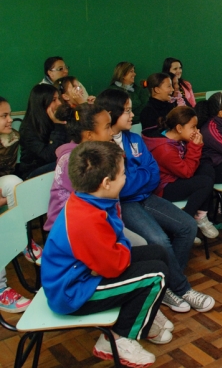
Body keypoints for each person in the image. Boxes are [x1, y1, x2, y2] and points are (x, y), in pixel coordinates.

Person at [41, 141, 171, 367]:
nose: (126, 178)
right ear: (106, 183)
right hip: (72, 293)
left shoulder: (92, 199)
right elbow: (115, 264)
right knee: (156, 275)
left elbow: (115, 245)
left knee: (157, 252)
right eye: (123, 174)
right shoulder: (87, 219)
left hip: (86, 274)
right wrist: (117, 243)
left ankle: (143, 315)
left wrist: (116, 244)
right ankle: (117, 340)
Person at [97, 88, 214, 314]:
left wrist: (134, 180)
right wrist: (136, 180)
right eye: (127, 111)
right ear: (110, 114)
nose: (133, 115)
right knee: (158, 240)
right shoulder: (104, 145)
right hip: (125, 204)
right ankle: (182, 288)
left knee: (188, 226)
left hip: (146, 196)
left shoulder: (133, 138)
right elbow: (118, 190)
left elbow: (153, 175)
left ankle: (167, 283)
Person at [43, 103, 147, 247]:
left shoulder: (97, 155)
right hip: (70, 233)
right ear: (89, 135)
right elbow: (93, 204)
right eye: (107, 127)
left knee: (141, 245)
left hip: (96, 223)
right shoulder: (76, 161)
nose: (111, 132)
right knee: (138, 248)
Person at [143, 106, 220, 239]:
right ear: (179, 128)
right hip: (164, 188)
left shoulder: (177, 138)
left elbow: (187, 166)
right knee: (204, 182)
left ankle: (200, 215)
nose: (197, 131)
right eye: (193, 127)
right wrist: (195, 147)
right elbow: (187, 173)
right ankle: (185, 223)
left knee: (206, 167)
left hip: (177, 176)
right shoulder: (165, 150)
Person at [0, 96, 32, 314]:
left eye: (10, 114)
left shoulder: (11, 138)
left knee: (15, 183)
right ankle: (1, 289)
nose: (11, 119)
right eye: (4, 116)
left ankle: (23, 241)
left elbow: (7, 175)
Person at [18, 84, 68, 178]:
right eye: (54, 100)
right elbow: (50, 156)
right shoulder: (28, 129)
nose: (59, 103)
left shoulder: (56, 120)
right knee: (66, 164)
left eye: (58, 99)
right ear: (42, 103)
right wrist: (58, 126)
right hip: (33, 174)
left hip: (52, 168)